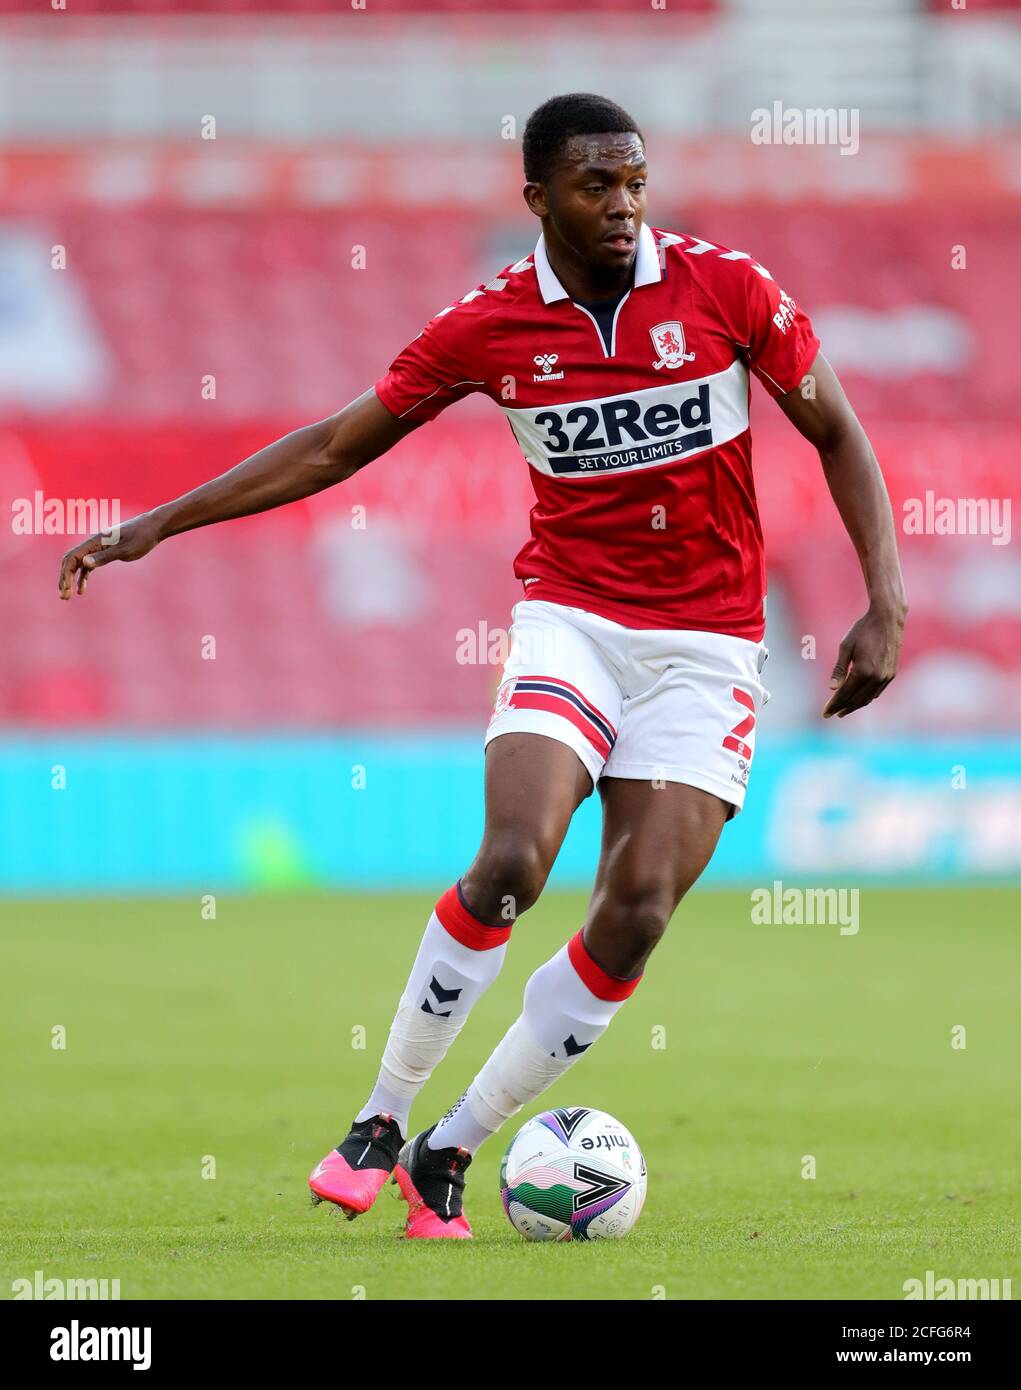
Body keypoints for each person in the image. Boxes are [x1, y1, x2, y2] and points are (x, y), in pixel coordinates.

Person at [59, 93, 907, 1239]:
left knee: (640, 908)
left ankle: (449, 1148)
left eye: (635, 183)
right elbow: (330, 446)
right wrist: (158, 522)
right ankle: (378, 1117)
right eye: (595, 186)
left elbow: (838, 430)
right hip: (574, 621)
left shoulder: (725, 289)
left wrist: (883, 603)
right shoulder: (491, 324)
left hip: (707, 648)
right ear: (537, 199)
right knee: (513, 854)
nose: (622, 207)